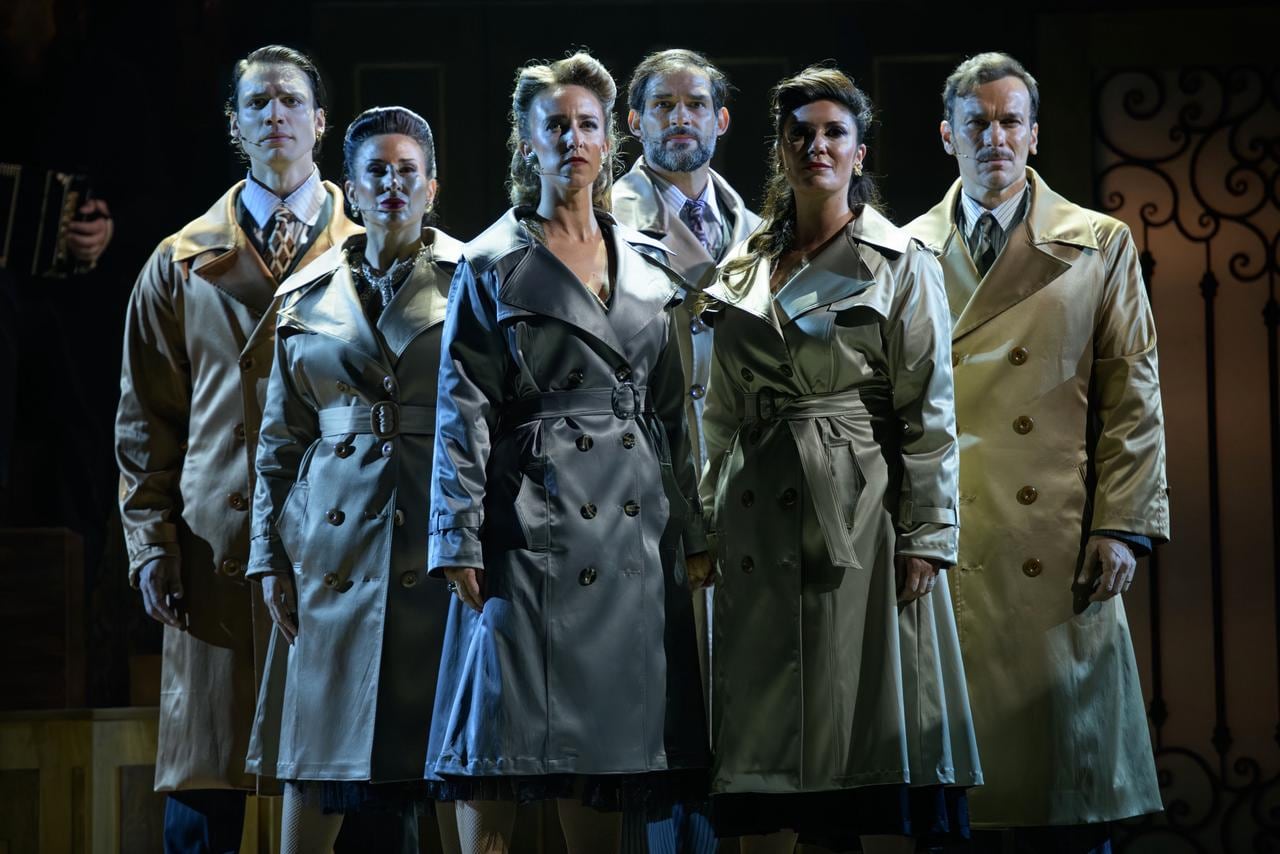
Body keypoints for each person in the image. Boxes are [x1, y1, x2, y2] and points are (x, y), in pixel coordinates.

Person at [426, 51, 712, 854]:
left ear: (609, 141)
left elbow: (673, 413)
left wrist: (694, 529)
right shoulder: (491, 261)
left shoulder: (652, 265)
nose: (573, 140)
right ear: (527, 142)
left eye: (588, 125)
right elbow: (463, 408)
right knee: (500, 737)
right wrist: (456, 536)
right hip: (528, 524)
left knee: (607, 752)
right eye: (555, 125)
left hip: (632, 528)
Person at [699, 65, 981, 854]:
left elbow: (930, 411)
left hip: (857, 516)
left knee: (856, 736)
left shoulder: (901, 261)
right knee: (771, 750)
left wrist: (929, 534)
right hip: (755, 518)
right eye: (800, 133)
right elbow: (717, 413)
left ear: (860, 152)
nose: (816, 146)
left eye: (834, 133)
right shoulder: (741, 265)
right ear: (779, 149)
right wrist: (704, 523)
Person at [905, 52, 1169, 854]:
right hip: (946, 547)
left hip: (1057, 548)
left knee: (1062, 806)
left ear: (1034, 134)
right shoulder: (902, 249)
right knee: (955, 812)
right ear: (947, 135)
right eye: (977, 122)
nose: (995, 137)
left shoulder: (1098, 243)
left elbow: (1132, 394)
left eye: (1009, 121)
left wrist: (1121, 525)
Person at [114, 44, 359, 852]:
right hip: (214, 545)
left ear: (320, 122)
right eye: (258, 103)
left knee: (346, 779)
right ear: (234, 125)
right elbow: (146, 420)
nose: (275, 115)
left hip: (339, 541)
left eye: (291, 101)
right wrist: (150, 543)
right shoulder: (178, 261)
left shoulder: (370, 253)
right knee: (207, 784)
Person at [244, 106, 463, 854]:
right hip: (330, 553)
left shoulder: (477, 281)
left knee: (452, 760)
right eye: (377, 172)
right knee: (318, 758)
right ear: (352, 188)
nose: (393, 184)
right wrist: (269, 556)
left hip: (436, 541)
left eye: (408, 171)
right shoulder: (305, 293)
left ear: (432, 187)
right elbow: (279, 442)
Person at [613, 51, 761, 767]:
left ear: (721, 120)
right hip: (643, 480)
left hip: (742, 480)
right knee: (655, 705)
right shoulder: (602, 222)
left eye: (696, 104)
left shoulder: (760, 229)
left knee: (743, 698)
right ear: (634, 121)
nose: (681, 118)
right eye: (663, 106)